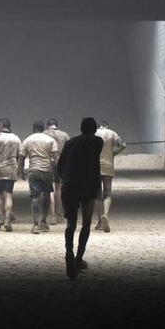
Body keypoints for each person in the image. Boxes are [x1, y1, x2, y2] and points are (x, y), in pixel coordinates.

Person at [57, 117, 104, 280]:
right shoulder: (97, 141)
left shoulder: (70, 143)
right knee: (86, 224)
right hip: (88, 187)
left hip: (70, 186)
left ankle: (68, 253)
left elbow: (60, 164)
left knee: (71, 224)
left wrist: (65, 179)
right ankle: (78, 257)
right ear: (95, 129)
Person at [19, 121, 59, 234]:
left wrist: (21, 170)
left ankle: (35, 225)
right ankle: (44, 221)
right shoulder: (50, 140)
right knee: (46, 197)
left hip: (34, 170)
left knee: (35, 197)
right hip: (47, 170)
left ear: (33, 128)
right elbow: (56, 159)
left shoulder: (28, 139)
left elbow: (21, 157)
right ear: (43, 129)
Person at [95, 120, 127, 232]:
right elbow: (123, 144)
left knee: (97, 195)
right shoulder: (112, 133)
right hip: (108, 165)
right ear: (107, 126)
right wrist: (114, 153)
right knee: (107, 192)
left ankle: (99, 222)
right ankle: (106, 215)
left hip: (94, 167)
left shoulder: (93, 133)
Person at [43, 118, 70, 224]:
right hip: (61, 164)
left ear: (48, 125)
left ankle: (52, 215)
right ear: (56, 125)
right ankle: (59, 214)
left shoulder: (43, 134)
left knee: (50, 190)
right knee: (59, 189)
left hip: (48, 163)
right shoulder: (64, 135)